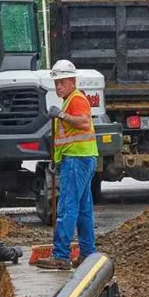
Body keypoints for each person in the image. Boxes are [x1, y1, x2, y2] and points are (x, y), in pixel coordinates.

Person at [35, 59, 98, 271]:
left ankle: (61, 255)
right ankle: (88, 254)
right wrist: (57, 159)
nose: (58, 87)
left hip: (76, 159)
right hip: (83, 158)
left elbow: (84, 122)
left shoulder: (76, 100)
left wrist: (61, 115)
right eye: (56, 83)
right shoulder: (72, 99)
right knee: (83, 209)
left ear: (72, 81)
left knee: (67, 207)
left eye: (62, 82)